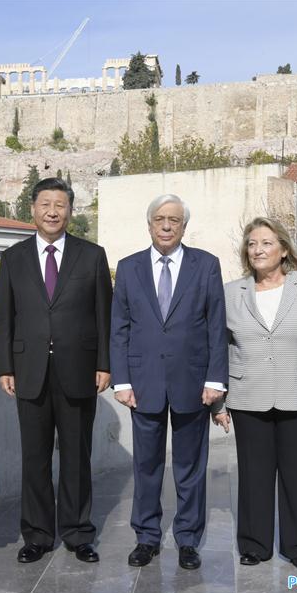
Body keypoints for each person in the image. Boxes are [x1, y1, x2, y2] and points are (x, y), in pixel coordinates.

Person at [212, 216, 297, 572]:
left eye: (266, 243)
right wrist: (219, 403)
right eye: (252, 243)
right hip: (247, 396)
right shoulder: (231, 292)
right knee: (253, 475)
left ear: (283, 249)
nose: (258, 249)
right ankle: (254, 545)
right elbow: (219, 349)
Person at [0, 177, 112, 564]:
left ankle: (79, 534)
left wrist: (104, 364)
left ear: (70, 211)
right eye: (45, 204)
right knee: (35, 458)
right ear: (32, 208)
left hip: (79, 369)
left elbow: (103, 316)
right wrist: (5, 367)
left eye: (59, 205)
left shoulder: (92, 255)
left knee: (77, 457)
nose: (52, 211)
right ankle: (38, 535)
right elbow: (5, 317)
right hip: (29, 372)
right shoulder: (12, 258)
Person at [110, 194, 227, 570]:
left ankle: (188, 540)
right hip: (143, 385)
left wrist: (216, 381)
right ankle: (146, 537)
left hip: (193, 383)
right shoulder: (128, 268)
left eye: (173, 220)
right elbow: (120, 329)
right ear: (149, 224)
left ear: (183, 226)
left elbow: (215, 326)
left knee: (190, 468)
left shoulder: (206, 265)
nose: (166, 225)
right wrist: (121, 381)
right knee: (146, 467)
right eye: (159, 219)